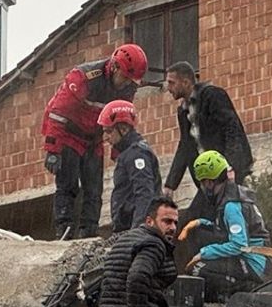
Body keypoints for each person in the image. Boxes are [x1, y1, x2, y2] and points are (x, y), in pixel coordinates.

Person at [42, 44, 148, 239]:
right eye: (124, 78)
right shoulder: (84, 78)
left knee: (94, 189)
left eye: (130, 80)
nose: (126, 84)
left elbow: (122, 121)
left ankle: (88, 232)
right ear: (115, 67)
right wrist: (53, 149)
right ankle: (64, 229)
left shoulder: (129, 86)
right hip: (69, 135)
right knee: (68, 183)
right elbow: (57, 114)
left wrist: (120, 154)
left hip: (94, 139)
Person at [180, 150, 270, 301]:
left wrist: (204, 252)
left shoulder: (231, 206)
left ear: (209, 182)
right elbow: (225, 228)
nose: (203, 187)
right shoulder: (233, 194)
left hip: (252, 263)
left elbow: (238, 244)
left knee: (198, 269)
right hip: (253, 259)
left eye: (203, 182)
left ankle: (238, 294)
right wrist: (200, 223)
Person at [162, 62, 253, 198]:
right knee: (197, 217)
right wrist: (171, 184)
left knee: (231, 212)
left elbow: (232, 130)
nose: (168, 88)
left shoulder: (212, 96)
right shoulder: (183, 111)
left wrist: (230, 167)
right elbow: (185, 146)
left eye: (171, 83)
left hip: (227, 174)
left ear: (186, 82)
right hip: (208, 178)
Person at [99, 100, 160, 233]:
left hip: (135, 230)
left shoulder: (136, 154)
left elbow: (144, 193)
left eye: (109, 131)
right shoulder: (128, 154)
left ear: (124, 129)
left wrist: (138, 230)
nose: (105, 137)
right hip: (128, 228)